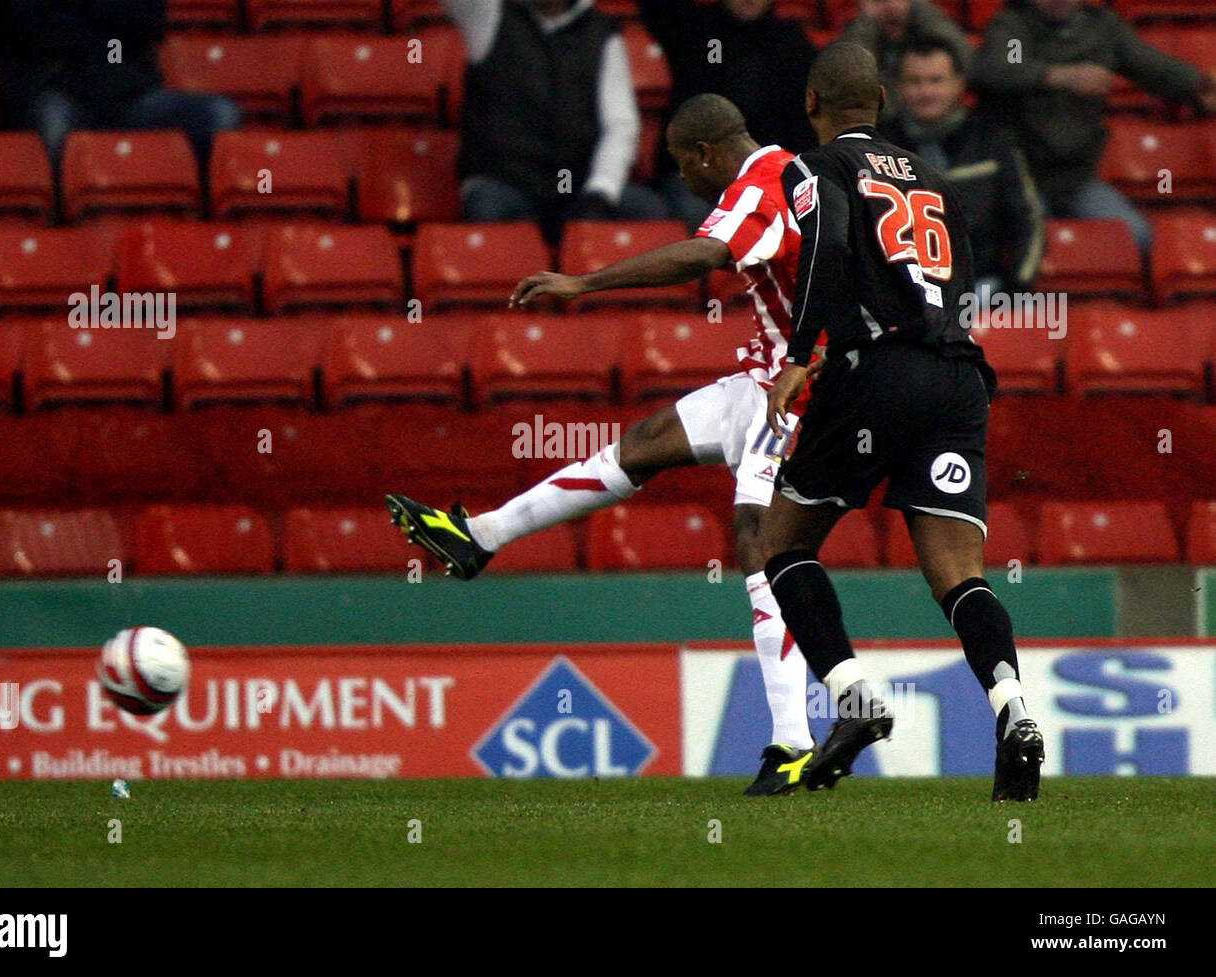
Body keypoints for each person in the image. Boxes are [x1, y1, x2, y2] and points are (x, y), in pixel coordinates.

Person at [388, 94, 819, 797]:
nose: (682, 180)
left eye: (682, 165)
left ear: (706, 152)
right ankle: (481, 535)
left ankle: (795, 743)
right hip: (766, 374)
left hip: (798, 388)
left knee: (757, 536)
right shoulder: (791, 173)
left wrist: (585, 282)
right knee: (645, 443)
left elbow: (706, 253)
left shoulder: (759, 185)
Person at [758, 43, 1043, 802]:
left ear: (813, 104)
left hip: (876, 372)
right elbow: (951, 285)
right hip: (957, 375)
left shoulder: (813, 167)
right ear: (883, 100)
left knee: (781, 541)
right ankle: (1013, 707)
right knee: (959, 574)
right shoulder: (936, 179)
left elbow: (824, 248)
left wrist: (798, 353)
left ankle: (855, 697)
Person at [971, 0, 1216, 257]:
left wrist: (1200, 84)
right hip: (1019, 175)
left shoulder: (1101, 26)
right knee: (1030, 244)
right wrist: (1056, 76)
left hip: (1075, 175)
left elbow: (1153, 67)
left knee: (1137, 236)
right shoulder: (1012, 27)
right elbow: (993, 70)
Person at [443, 0, 668, 241]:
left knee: (648, 210)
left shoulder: (600, 32)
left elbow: (620, 124)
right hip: (506, 183)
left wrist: (601, 191)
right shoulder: (488, 16)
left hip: (578, 184)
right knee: (487, 205)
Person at [0, 0, 241, 172]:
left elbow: (147, 20)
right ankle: (63, 237)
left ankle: (182, 218)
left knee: (219, 114)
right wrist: (103, 21)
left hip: (132, 97)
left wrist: (75, 14)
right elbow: (24, 27)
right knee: (53, 128)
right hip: (58, 92)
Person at [638, 0, 817, 230]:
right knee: (708, 218)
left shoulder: (792, 43)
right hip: (697, 176)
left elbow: (805, 129)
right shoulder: (693, 28)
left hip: (770, 178)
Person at [883, 39, 1044, 295]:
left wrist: (1017, 285)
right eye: (914, 81)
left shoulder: (993, 140)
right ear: (898, 86)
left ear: (959, 83)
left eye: (936, 81)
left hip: (983, 289)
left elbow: (1028, 217)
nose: (926, 92)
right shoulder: (876, 147)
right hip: (900, 294)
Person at [840, 0, 972, 123]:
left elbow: (967, 62)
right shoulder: (863, 34)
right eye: (880, 0)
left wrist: (921, 10)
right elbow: (850, 84)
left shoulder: (932, 26)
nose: (892, 6)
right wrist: (866, 23)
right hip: (890, 125)